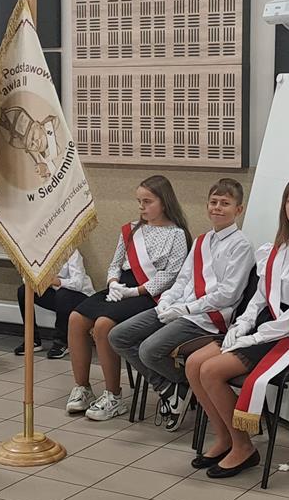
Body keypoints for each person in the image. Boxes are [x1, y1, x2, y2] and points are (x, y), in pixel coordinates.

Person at [185, 175, 289, 478]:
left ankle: (243, 447)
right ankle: (225, 437)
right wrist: (242, 325)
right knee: (194, 364)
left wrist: (254, 338)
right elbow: (260, 298)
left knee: (210, 371)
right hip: (262, 329)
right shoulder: (274, 250)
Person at [109, 178, 255, 431]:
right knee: (118, 336)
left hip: (207, 318)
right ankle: (171, 386)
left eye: (225, 203)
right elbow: (183, 279)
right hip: (178, 309)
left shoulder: (241, 245)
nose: (217, 208)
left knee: (148, 350)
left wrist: (187, 309)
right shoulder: (201, 240)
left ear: (238, 209)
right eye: (213, 202)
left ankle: (182, 385)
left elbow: (228, 295)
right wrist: (167, 301)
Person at [66, 175, 191, 421]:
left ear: (164, 202)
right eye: (139, 201)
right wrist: (113, 282)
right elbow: (115, 263)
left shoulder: (177, 235)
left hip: (150, 294)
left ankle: (113, 396)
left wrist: (136, 291)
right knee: (76, 318)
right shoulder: (131, 229)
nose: (141, 207)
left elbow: (171, 275)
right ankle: (83, 388)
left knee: (103, 325)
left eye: (148, 201)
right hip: (122, 286)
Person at [15, 249, 95, 358]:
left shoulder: (71, 252)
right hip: (57, 295)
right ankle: (32, 340)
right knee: (24, 291)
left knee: (62, 294)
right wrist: (35, 280)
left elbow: (78, 284)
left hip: (80, 296)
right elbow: (26, 278)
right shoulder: (38, 252)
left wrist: (55, 281)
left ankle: (62, 342)